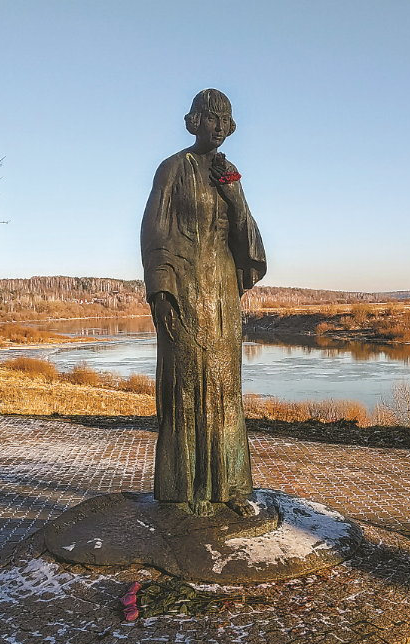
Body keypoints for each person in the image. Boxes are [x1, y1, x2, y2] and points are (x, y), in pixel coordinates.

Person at [140, 89, 266, 517]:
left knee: (224, 388)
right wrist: (160, 289)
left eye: (224, 119)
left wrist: (234, 195)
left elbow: (248, 242)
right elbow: (154, 234)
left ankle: (227, 487)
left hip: (223, 299)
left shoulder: (229, 174)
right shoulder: (173, 169)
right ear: (196, 120)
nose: (217, 126)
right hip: (186, 291)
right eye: (210, 117)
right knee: (187, 386)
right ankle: (184, 490)